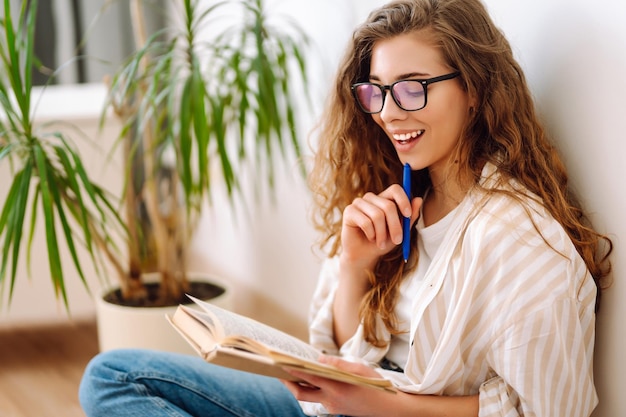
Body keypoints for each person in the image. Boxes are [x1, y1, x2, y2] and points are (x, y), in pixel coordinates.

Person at [79, 0, 613, 416]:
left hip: (379, 410)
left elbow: (545, 411)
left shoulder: (521, 239)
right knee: (112, 378)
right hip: (342, 407)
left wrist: (381, 405)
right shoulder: (396, 195)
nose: (387, 113)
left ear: (473, 89)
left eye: (411, 89)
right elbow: (334, 355)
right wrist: (354, 268)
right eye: (375, 92)